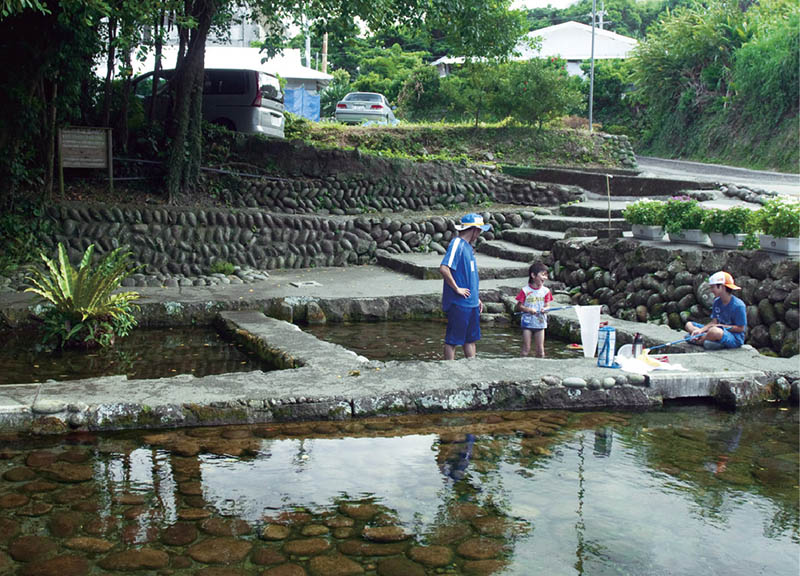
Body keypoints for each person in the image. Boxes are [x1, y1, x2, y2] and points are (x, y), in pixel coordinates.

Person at [439, 213, 491, 360]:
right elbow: (444, 268)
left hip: (472, 302)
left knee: (470, 340)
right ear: (473, 230)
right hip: (459, 303)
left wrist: (477, 298)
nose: (480, 233)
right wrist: (456, 289)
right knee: (453, 341)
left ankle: (472, 368)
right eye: (479, 230)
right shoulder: (457, 244)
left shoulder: (468, 247)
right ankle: (449, 369)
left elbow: (470, 276)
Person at [684, 271, 747, 350]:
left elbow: (740, 328)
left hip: (733, 337)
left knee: (714, 332)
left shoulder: (739, 306)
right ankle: (703, 337)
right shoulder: (717, 301)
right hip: (715, 329)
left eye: (713, 287)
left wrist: (721, 327)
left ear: (722, 287)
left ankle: (700, 340)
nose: (711, 290)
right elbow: (714, 322)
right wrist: (701, 330)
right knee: (689, 324)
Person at [515, 261, 553, 357]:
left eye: (546, 275)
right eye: (543, 275)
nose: (545, 278)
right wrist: (528, 310)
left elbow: (548, 306)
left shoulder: (546, 291)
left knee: (540, 350)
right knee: (526, 349)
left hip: (540, 324)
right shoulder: (525, 290)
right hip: (527, 324)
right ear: (533, 275)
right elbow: (519, 306)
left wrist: (545, 309)